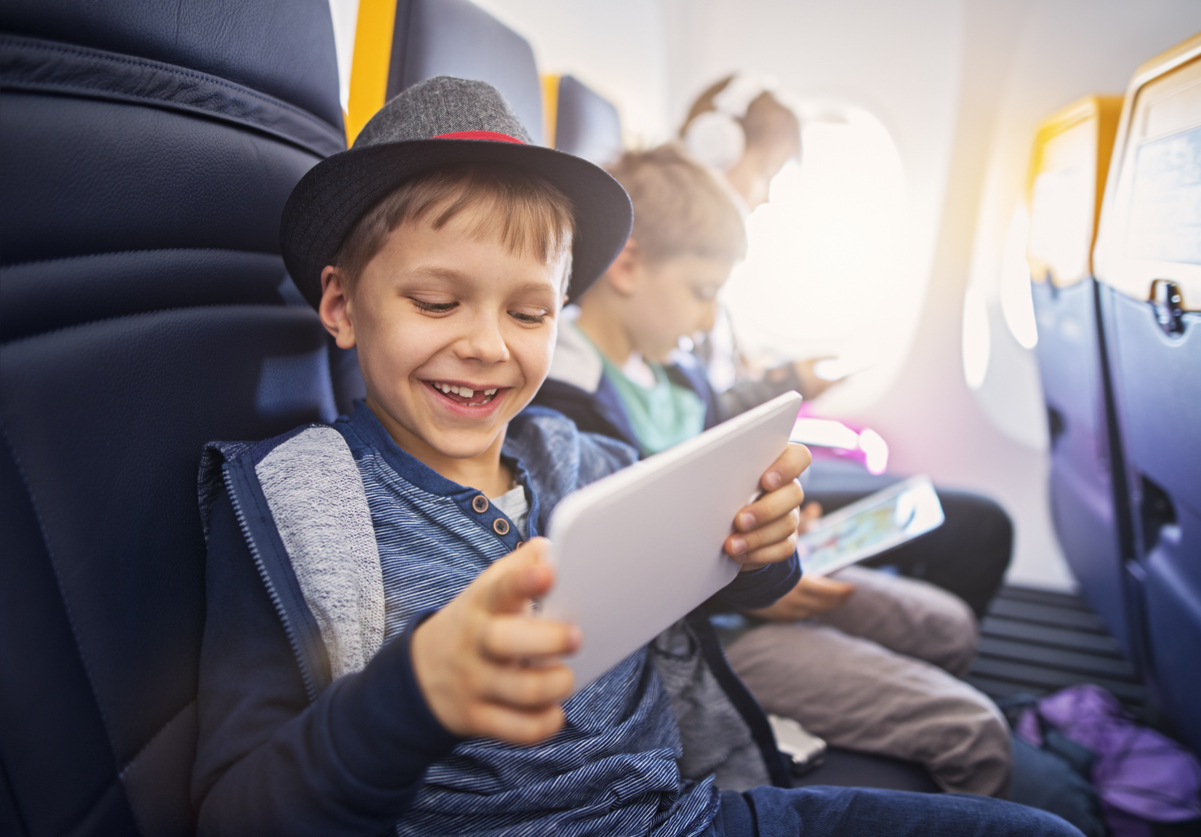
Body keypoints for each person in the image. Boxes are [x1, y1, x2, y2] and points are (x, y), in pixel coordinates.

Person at [192, 76, 1079, 837]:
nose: (487, 345)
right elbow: (234, 809)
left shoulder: (582, 457)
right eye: (435, 300)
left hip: (694, 810)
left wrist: (760, 554)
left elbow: (705, 593)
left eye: (530, 313)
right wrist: (411, 692)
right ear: (343, 307)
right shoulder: (292, 503)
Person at [535, 144, 1013, 796]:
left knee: (948, 626)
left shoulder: (681, 377)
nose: (709, 319)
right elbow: (636, 571)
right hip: (709, 634)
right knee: (975, 731)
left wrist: (775, 518)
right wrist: (764, 579)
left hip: (749, 582)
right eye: (702, 293)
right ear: (627, 263)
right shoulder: (566, 399)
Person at [681, 74, 1012, 620]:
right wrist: (792, 383)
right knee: (979, 526)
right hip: (736, 478)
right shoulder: (670, 272)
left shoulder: (708, 269)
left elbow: (714, 381)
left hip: (755, 465)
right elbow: (701, 414)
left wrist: (777, 372)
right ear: (714, 146)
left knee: (931, 505)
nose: (764, 196)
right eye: (765, 172)